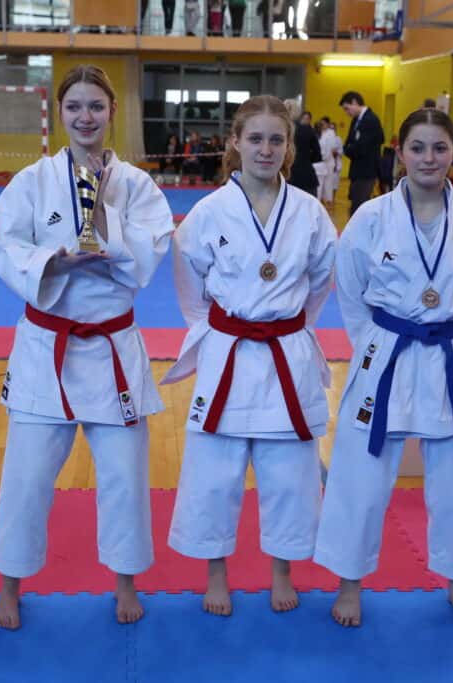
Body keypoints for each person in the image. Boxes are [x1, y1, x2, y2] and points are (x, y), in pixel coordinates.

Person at [0, 65, 174, 630]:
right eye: (74, 107)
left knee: (124, 475)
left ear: (112, 111)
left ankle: (125, 582)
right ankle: (10, 587)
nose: (85, 116)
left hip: (111, 346)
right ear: (59, 113)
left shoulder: (137, 185)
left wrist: (104, 215)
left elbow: (150, 254)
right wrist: (54, 263)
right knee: (25, 477)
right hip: (47, 346)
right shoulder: (32, 182)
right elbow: (5, 245)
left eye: (95, 106)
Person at [314, 107, 453, 630]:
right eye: (417, 148)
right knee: (361, 472)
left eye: (439, 148)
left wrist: (452, 333)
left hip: (448, 351)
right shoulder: (371, 217)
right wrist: (374, 342)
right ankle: (349, 584)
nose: (428, 158)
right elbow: (350, 290)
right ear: (400, 152)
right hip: (387, 350)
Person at [163, 94, 336, 617]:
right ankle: (217, 575)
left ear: (288, 147)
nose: (265, 149)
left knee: (290, 473)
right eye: (255, 138)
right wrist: (221, 329)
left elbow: (320, 283)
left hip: (285, 349)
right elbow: (190, 288)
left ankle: (281, 572)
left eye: (276, 140)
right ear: (235, 142)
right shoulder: (207, 212)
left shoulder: (310, 212)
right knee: (215, 472)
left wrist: (288, 325)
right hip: (229, 349)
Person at [339, 91, 384, 216]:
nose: (347, 113)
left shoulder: (371, 120)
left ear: (355, 102)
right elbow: (348, 144)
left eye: (347, 108)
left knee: (360, 208)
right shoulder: (356, 120)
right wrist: (351, 148)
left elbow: (362, 148)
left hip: (366, 171)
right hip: (356, 170)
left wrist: (351, 148)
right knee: (354, 205)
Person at [286, 99, 321, 197]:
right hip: (306, 177)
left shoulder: (277, 131)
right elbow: (318, 156)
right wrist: (305, 159)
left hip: (285, 177)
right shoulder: (307, 130)